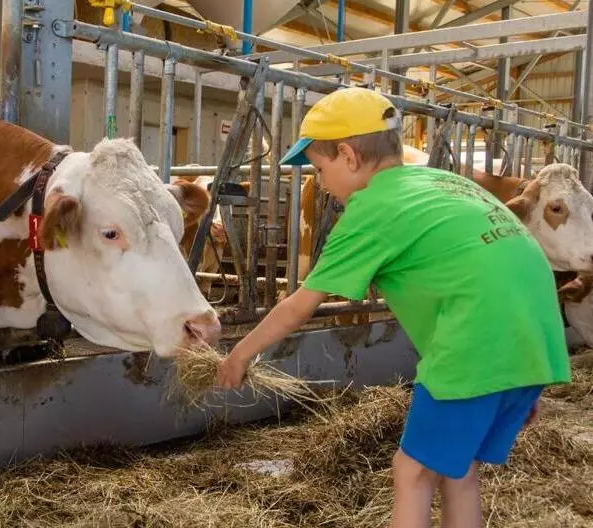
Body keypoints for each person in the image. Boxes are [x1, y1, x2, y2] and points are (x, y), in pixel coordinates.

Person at [216, 87, 571, 528]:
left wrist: (239, 354)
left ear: (347, 156)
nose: (321, 184)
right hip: (532, 347)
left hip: (477, 351)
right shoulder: (446, 182)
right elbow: (514, 262)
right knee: (455, 471)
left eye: (320, 169)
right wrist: (520, 374)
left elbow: (297, 307)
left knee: (411, 471)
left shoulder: (371, 210)